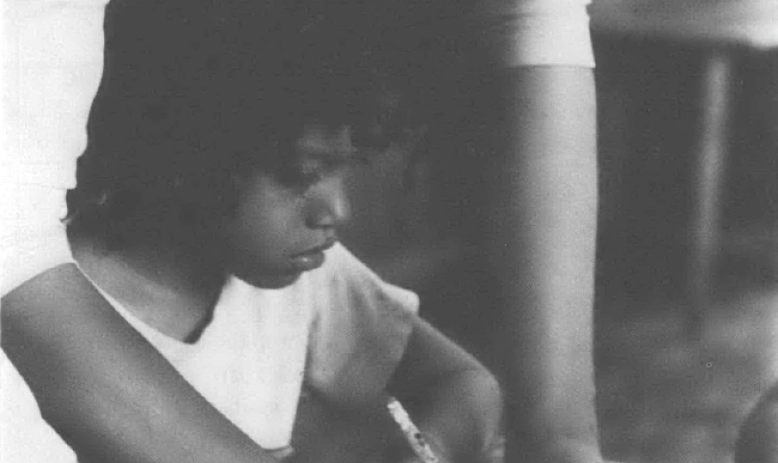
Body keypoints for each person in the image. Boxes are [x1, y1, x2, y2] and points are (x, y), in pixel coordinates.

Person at [1, 1, 603, 463]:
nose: (337, 212)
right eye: (302, 175)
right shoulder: (46, 311)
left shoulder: (308, 284)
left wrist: (424, 449)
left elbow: (469, 385)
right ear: (186, 157)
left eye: (347, 173)